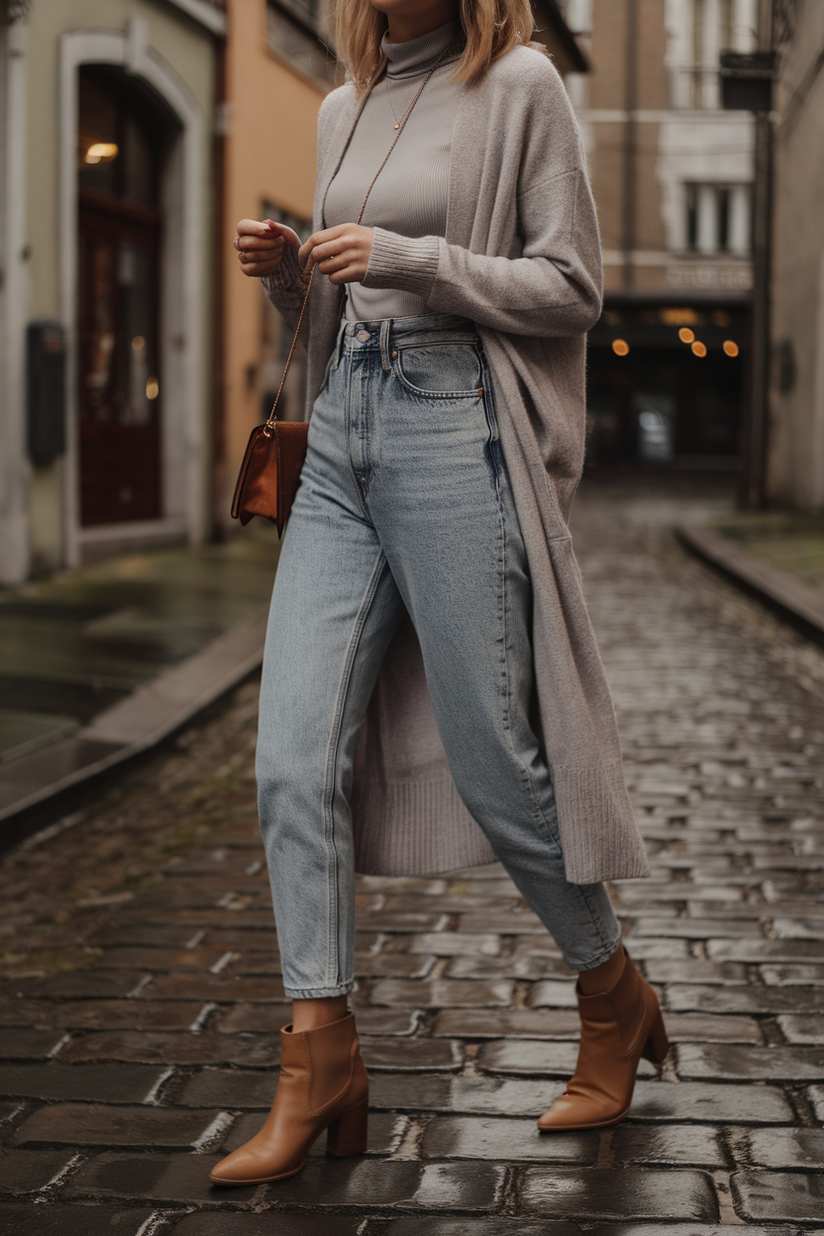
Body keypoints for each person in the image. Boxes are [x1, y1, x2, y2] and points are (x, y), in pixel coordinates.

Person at [209, 0, 668, 1188]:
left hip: (450, 428)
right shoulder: (335, 107)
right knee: (286, 759)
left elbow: (572, 287)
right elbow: (333, 306)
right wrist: (285, 278)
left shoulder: (519, 84)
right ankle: (320, 1052)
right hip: (344, 433)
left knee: (494, 758)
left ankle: (610, 993)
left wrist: (413, 260)